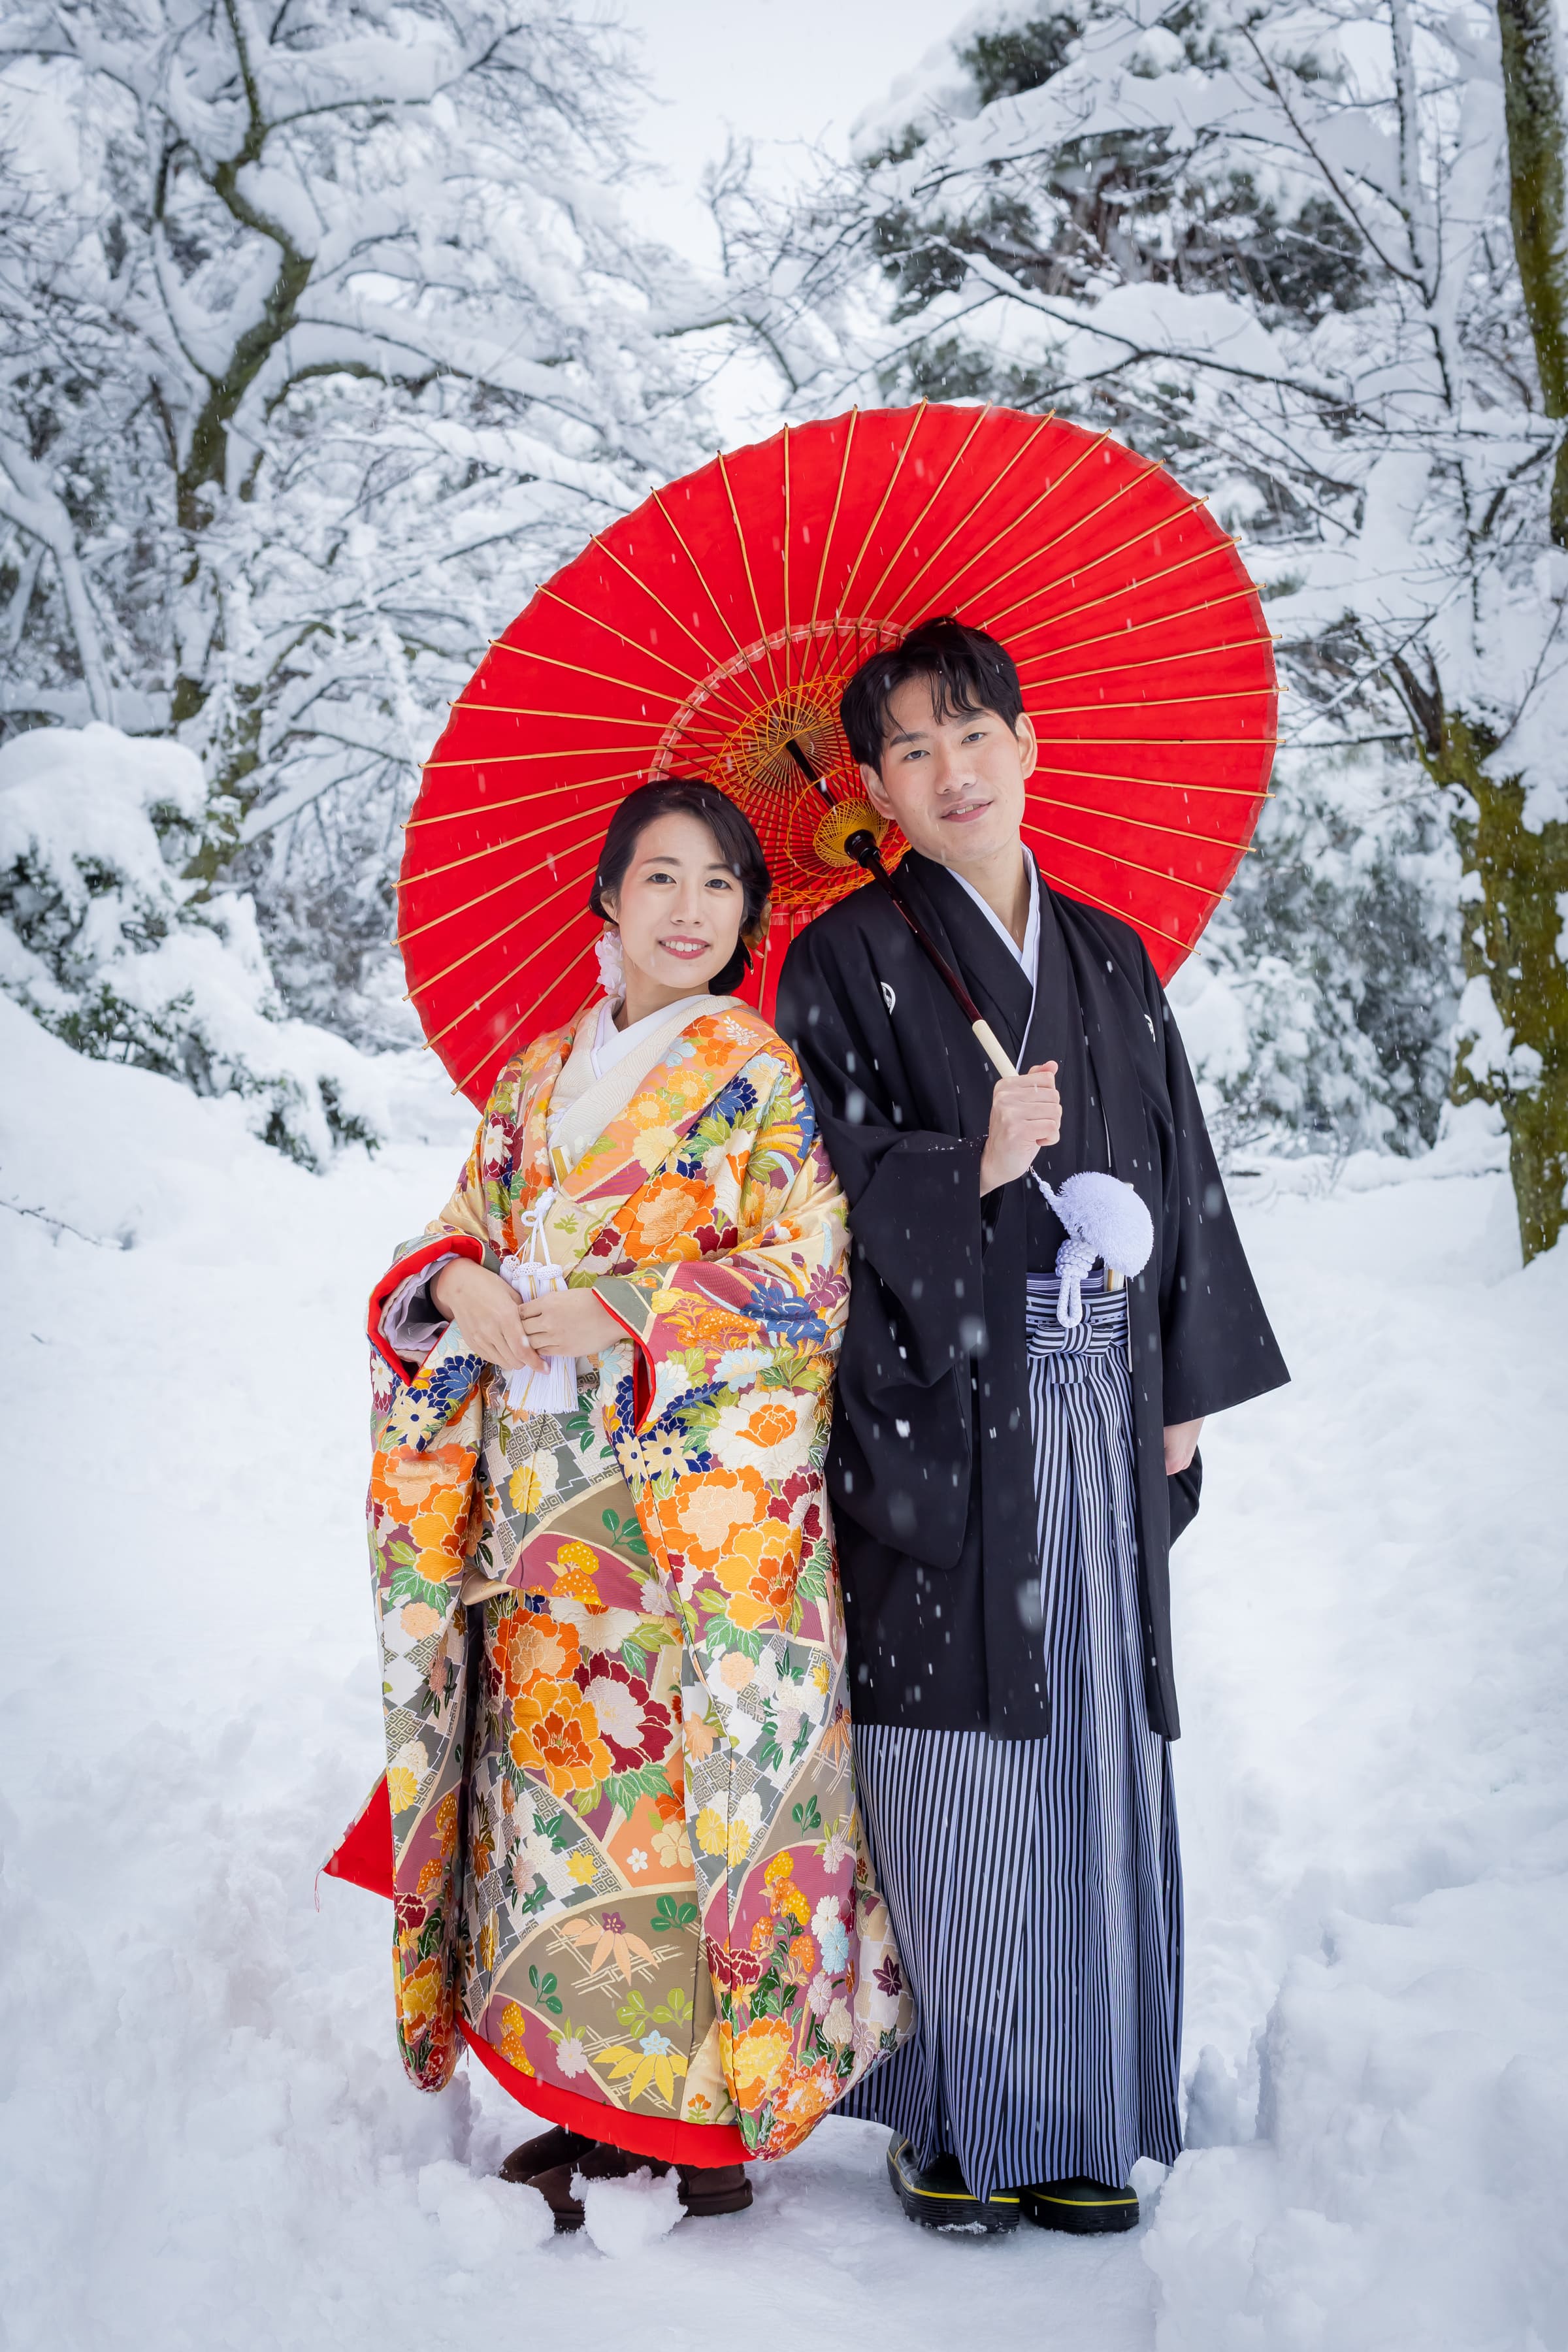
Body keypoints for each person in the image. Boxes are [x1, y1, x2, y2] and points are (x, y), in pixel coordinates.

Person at [774, 616, 1289, 2236]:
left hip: (1097, 1401)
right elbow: (804, 1198)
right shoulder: (841, 962)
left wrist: (1185, 1381)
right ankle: (952, 2111)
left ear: (1027, 745)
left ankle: (1079, 2111)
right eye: (913, 751)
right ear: (871, 787)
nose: (951, 769)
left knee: (1091, 1754)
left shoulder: (1114, 957)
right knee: (955, 1762)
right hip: (941, 1421)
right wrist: (963, 1168)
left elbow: (1183, 1168)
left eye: (973, 733)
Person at [360, 780, 907, 2232]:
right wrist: (459, 1284)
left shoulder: (756, 1075)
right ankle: (594, 2114)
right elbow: (454, 1229)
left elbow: (810, 1278)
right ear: (605, 902)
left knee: (677, 1823)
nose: (687, 910)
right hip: (537, 1514)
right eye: (658, 879)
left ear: (747, 916)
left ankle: (699, 2134)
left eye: (719, 885)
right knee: (561, 1820)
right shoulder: (537, 1080)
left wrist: (629, 1309)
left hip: (680, 1519)